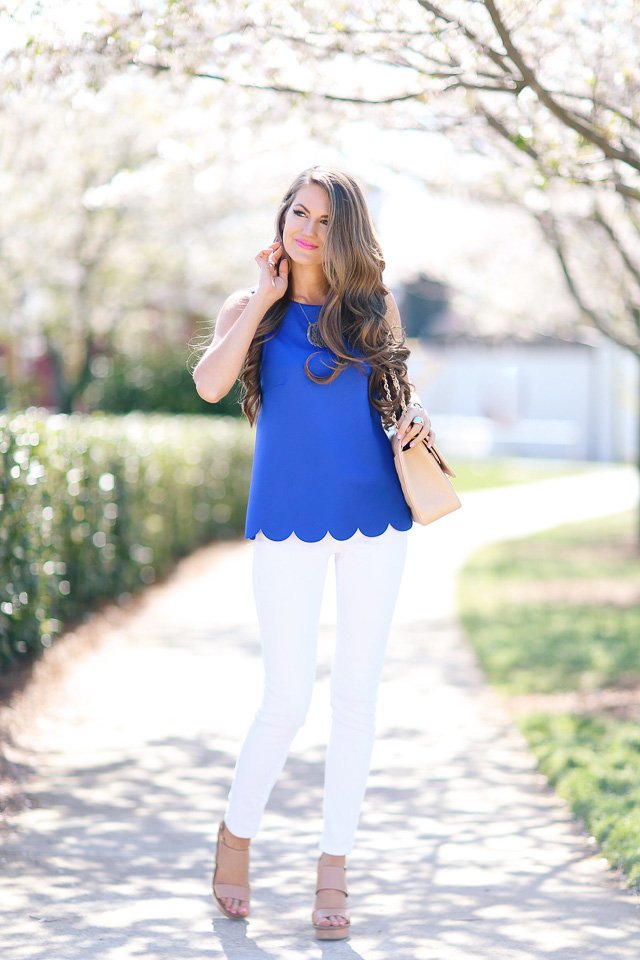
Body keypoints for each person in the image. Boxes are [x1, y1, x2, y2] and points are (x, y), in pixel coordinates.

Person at [192, 165, 434, 940]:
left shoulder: (371, 308)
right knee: (286, 698)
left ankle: (335, 867)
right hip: (286, 520)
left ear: (348, 233)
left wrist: (415, 418)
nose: (310, 230)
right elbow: (208, 383)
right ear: (283, 216)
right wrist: (262, 298)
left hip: (374, 519)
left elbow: (396, 396)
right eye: (301, 213)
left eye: (328, 221)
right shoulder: (251, 309)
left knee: (355, 699)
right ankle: (236, 840)